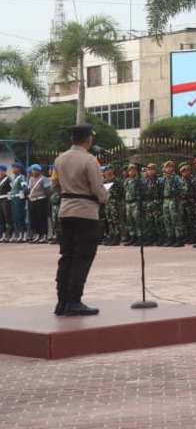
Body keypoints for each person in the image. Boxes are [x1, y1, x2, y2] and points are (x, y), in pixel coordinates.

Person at [54, 123, 110, 316]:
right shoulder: (89, 160)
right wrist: (105, 196)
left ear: (72, 139)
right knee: (82, 257)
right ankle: (74, 300)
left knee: (67, 256)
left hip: (65, 211)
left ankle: (61, 301)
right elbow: (97, 189)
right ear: (89, 139)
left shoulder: (60, 159)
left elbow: (55, 183)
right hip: (85, 213)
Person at [160, 160, 187, 247]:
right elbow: (159, 184)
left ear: (172, 168)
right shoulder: (165, 178)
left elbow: (184, 187)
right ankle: (170, 238)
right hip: (166, 200)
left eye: (169, 167)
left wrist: (178, 194)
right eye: (166, 167)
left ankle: (179, 239)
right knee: (167, 220)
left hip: (174, 200)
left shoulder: (176, 177)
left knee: (176, 220)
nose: (168, 169)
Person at [27, 163, 52, 243]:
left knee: (42, 218)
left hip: (41, 200)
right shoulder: (31, 179)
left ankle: (44, 235)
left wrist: (47, 199)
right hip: (32, 200)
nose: (33, 171)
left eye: (35, 170)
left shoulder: (43, 179)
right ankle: (37, 234)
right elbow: (29, 189)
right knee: (34, 218)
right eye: (32, 170)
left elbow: (48, 191)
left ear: (39, 171)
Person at [0, 164, 12, 241]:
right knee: (1, 218)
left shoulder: (8, 179)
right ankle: (3, 234)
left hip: (6, 199)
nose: (0, 172)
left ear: (4, 171)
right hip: (0, 199)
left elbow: (12, 188)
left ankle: (9, 234)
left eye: (1, 170)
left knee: (7, 216)